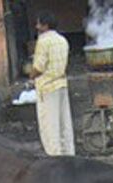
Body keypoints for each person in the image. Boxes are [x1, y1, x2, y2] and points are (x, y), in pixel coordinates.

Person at [29, 10, 75, 156]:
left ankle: (55, 159)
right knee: (64, 124)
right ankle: (69, 156)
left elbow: (39, 67)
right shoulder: (63, 40)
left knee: (51, 127)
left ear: (45, 25)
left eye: (39, 23)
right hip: (61, 84)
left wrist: (31, 76)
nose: (37, 26)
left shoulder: (43, 41)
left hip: (48, 87)